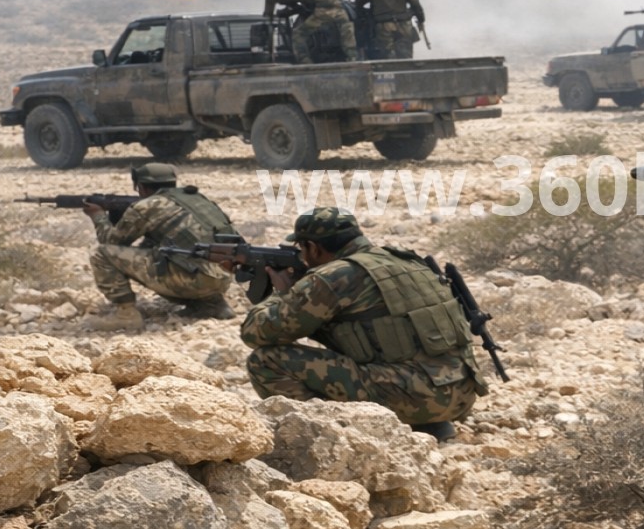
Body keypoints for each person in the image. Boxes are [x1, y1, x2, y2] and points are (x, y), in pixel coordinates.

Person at [241, 207, 485, 440]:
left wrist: (283, 292)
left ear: (312, 247)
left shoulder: (335, 276)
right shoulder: (406, 259)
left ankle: (326, 435)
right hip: (461, 393)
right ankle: (429, 425)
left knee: (265, 361)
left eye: (302, 249)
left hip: (418, 398)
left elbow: (257, 333)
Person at [83, 162, 237, 330]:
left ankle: (126, 315)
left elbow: (110, 242)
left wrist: (98, 215)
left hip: (191, 280)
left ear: (141, 187)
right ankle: (213, 304)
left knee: (101, 254)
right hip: (222, 278)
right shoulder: (198, 200)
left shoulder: (147, 206)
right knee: (167, 252)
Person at [354, 0, 426, 59]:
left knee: (386, 55)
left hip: (384, 26)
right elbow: (416, 6)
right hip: (404, 25)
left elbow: (358, 3)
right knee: (405, 55)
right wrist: (421, 20)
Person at [293, 0, 356, 64]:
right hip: (340, 12)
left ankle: (305, 60)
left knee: (299, 33)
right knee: (347, 34)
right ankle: (352, 58)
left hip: (323, 12)